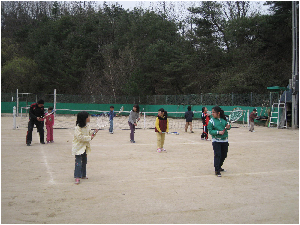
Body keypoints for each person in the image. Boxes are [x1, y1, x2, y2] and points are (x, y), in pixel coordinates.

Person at [72, 111, 98, 185]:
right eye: (88, 117)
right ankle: (77, 177)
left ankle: (83, 175)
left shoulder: (88, 127)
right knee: (78, 163)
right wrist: (90, 137)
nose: (89, 118)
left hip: (85, 147)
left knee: (84, 161)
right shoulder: (77, 128)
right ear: (84, 118)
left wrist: (94, 133)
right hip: (78, 148)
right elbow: (80, 137)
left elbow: (90, 135)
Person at [207, 106, 231, 177]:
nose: (212, 113)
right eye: (212, 112)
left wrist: (228, 126)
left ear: (218, 113)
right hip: (216, 141)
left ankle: (219, 166)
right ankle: (217, 170)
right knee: (217, 155)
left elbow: (229, 127)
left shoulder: (225, 119)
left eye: (214, 112)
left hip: (225, 140)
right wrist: (218, 132)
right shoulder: (211, 121)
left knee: (224, 155)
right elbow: (210, 131)